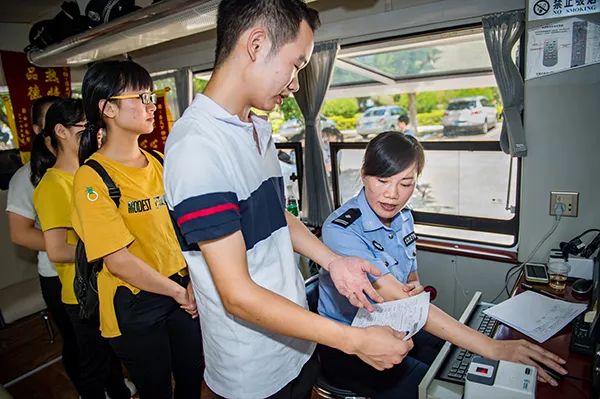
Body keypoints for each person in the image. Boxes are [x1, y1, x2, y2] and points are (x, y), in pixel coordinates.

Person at [163, 1, 414, 398]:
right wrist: (353, 341)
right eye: (297, 64)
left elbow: (275, 216)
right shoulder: (197, 148)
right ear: (257, 44)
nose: (296, 83)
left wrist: (333, 262)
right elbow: (237, 295)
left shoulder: (256, 130)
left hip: (297, 344)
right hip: (252, 369)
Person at [318, 132, 568, 398]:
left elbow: (411, 278)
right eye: (382, 181)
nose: (392, 195)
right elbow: (395, 295)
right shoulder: (341, 229)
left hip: (398, 323)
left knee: (461, 363)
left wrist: (415, 286)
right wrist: (493, 347)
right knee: (439, 390)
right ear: (364, 175)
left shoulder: (403, 217)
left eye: (406, 183)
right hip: (348, 345)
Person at [72, 60, 203, 399]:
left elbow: (179, 229)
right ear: (107, 108)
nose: (151, 105)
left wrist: (190, 282)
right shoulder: (92, 177)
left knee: (192, 378)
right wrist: (178, 293)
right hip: (135, 302)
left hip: (181, 289)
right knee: (156, 390)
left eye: (151, 95)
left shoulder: (158, 161)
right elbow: (118, 261)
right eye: (141, 97)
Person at [30, 98, 131, 399]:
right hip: (83, 294)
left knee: (111, 360)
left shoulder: (90, 173)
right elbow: (58, 250)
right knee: (93, 367)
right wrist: (110, 249)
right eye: (85, 128)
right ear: (60, 131)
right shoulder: (52, 185)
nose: (93, 134)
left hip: (108, 284)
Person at [5, 95, 83, 390]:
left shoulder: (85, 167)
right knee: (77, 341)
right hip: (57, 272)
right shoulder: (28, 178)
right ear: (41, 129)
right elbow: (20, 233)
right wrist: (65, 245)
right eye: (54, 118)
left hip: (91, 268)